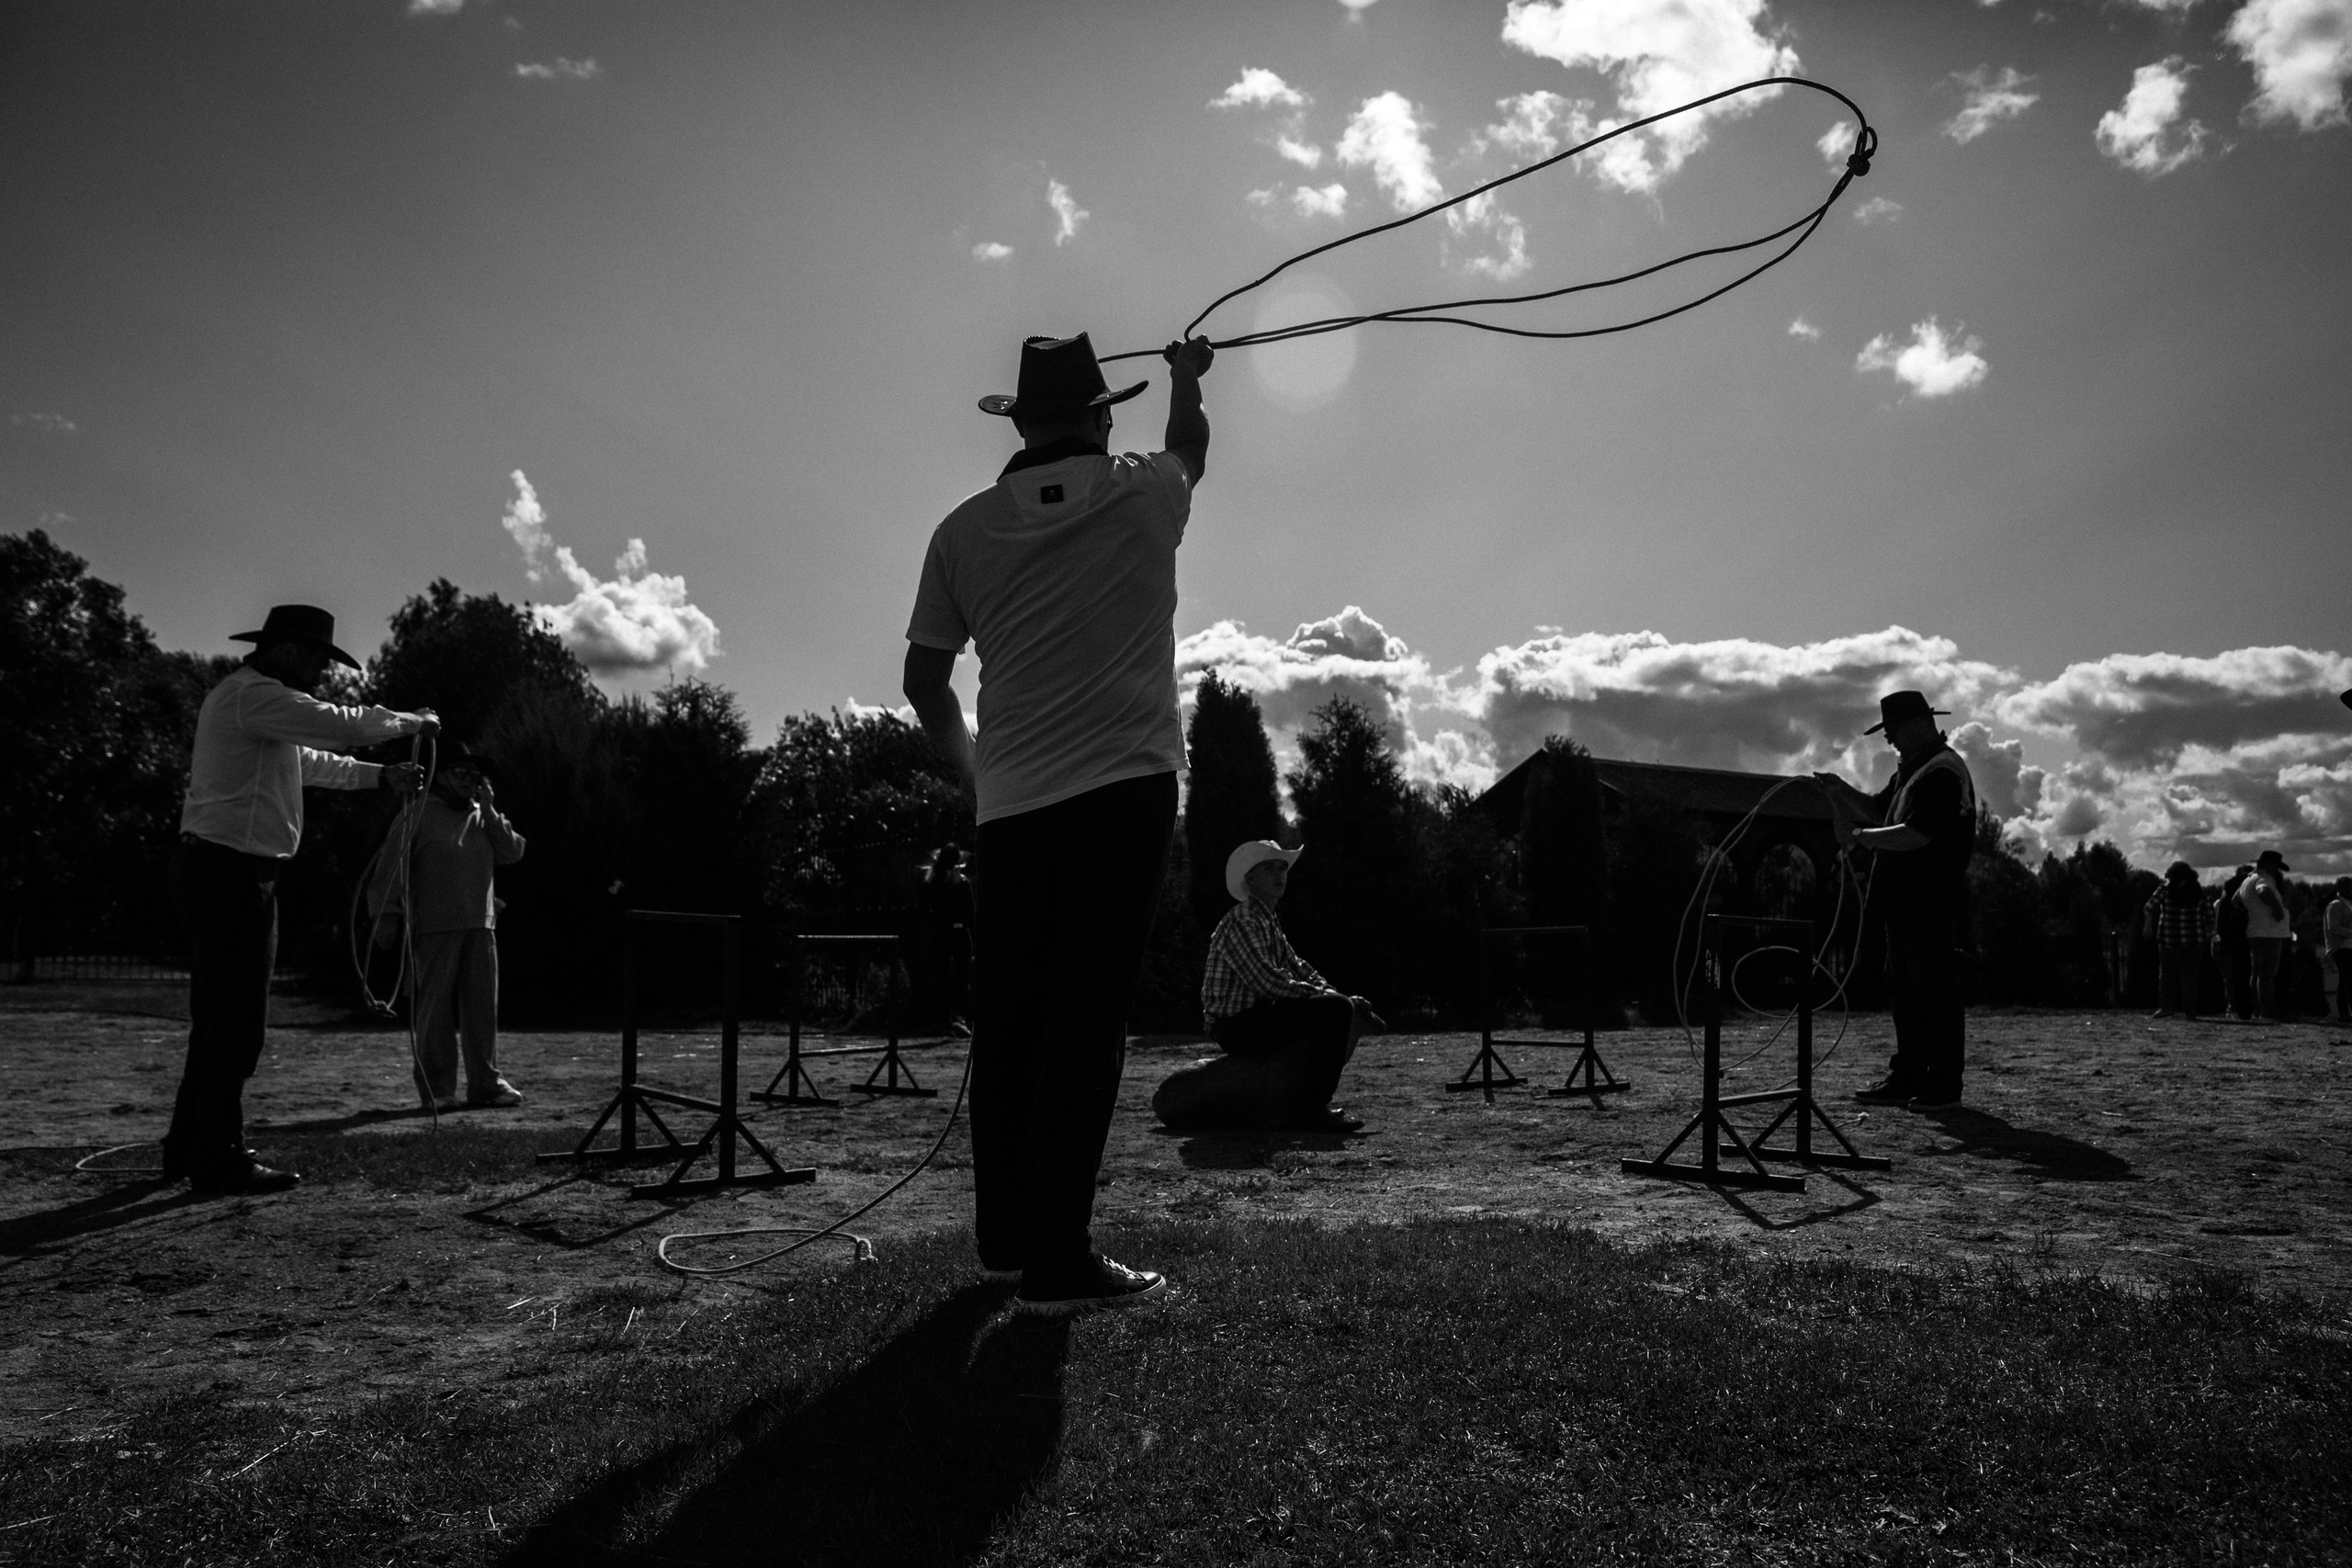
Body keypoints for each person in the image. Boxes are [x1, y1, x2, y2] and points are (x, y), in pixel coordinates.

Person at [903, 331, 1214, 1315]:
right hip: (1123, 790)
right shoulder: (1144, 491)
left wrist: (977, 776)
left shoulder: (960, 530)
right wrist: (1185, 379)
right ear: (1098, 415)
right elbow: (1193, 446)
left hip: (1012, 805)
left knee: (1010, 1023)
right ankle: (1058, 1262)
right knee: (1085, 1019)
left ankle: (1006, 1242)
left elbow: (923, 679)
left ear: (1021, 422)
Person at [166, 604, 436, 1194]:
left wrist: (379, 777)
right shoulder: (255, 695)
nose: (321, 671)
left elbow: (312, 762)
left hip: (221, 867)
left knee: (217, 1019)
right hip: (232, 871)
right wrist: (410, 722)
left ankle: (190, 1147)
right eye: (317, 658)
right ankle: (216, 1157)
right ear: (287, 651)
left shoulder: (253, 702)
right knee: (237, 1022)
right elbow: (339, 725)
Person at [1815, 690, 1977, 1111]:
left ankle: (1943, 1085)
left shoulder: (1941, 772)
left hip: (1929, 901)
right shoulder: (1917, 770)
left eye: (1893, 730)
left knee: (1934, 993)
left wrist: (1858, 837)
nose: (1889, 739)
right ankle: (1909, 1077)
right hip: (1906, 902)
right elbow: (1878, 810)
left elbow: (1917, 834)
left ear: (1921, 725)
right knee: (1906, 992)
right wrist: (1840, 790)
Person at [368, 746, 526, 1111]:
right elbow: (390, 866)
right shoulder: (418, 814)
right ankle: (437, 1089)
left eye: (475, 775)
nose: (470, 781)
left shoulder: (483, 816)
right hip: (435, 925)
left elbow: (513, 851)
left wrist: (490, 809)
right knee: (435, 1010)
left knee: (482, 1009)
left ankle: (486, 1084)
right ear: (441, 776)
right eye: (461, 773)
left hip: (481, 924)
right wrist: (385, 913)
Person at [1198, 841, 1384, 1133]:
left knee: (1333, 1005)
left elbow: (1298, 966)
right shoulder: (1243, 921)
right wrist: (1331, 997)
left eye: (1282, 868)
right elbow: (1268, 981)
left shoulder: (1266, 920)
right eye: (1269, 868)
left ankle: (1302, 1103)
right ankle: (1310, 1108)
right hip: (1235, 1025)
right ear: (1250, 879)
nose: (1279, 874)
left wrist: (1332, 992)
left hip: (1253, 1016)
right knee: (1333, 1010)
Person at [2142, 862, 2212, 1021]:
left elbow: (2149, 907)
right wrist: (2207, 934)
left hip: (2169, 938)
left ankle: (2166, 1007)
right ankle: (2190, 1011)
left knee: (2167, 974)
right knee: (2190, 977)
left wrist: (2148, 926)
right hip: (2194, 940)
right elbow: (2210, 915)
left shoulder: (2164, 890)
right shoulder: (2199, 892)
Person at [2241, 849, 2293, 1021]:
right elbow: (2263, 891)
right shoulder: (2264, 880)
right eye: (2276, 866)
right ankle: (2267, 1011)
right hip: (2268, 932)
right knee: (2266, 974)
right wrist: (2276, 907)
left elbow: (2235, 900)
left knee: (2257, 973)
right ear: (2268, 865)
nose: (2277, 870)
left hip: (2255, 930)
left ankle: (2258, 1009)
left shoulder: (2247, 880)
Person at [2214, 864, 2255, 1021]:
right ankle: (2240, 1008)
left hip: (2225, 940)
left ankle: (2233, 1008)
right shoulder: (2245, 894)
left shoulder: (2225, 896)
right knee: (2240, 977)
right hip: (2240, 940)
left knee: (2230, 979)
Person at [2325, 876, 2352, 1025]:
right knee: (2348, 979)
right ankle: (2344, 1013)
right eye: (2345, 887)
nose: (2349, 890)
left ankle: (2344, 1014)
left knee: (2345, 980)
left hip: (2348, 946)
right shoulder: (2335, 906)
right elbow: (2334, 927)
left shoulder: (2348, 905)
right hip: (2340, 947)